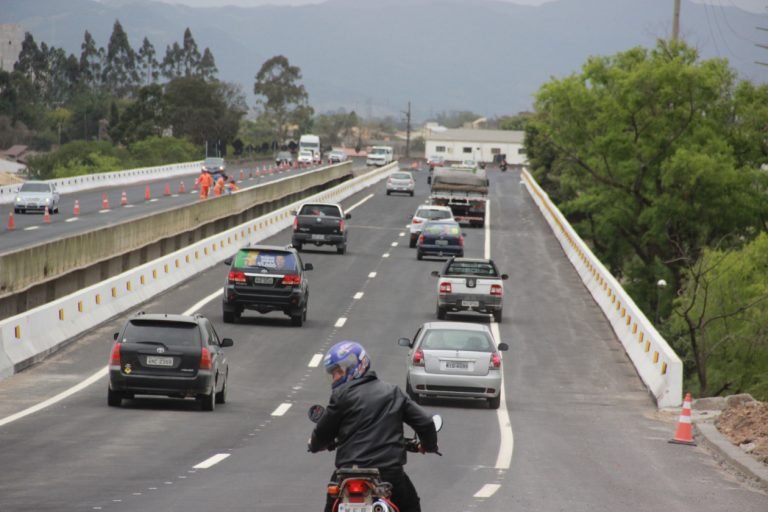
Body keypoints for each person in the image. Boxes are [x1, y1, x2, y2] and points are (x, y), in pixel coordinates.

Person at [309, 341, 438, 512]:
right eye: (333, 373)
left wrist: (314, 444)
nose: (336, 378)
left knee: (330, 505)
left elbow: (323, 432)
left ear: (357, 366)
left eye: (339, 371)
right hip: (388, 474)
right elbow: (426, 422)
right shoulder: (393, 393)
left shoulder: (341, 396)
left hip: (347, 473)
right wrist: (428, 446)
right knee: (411, 505)